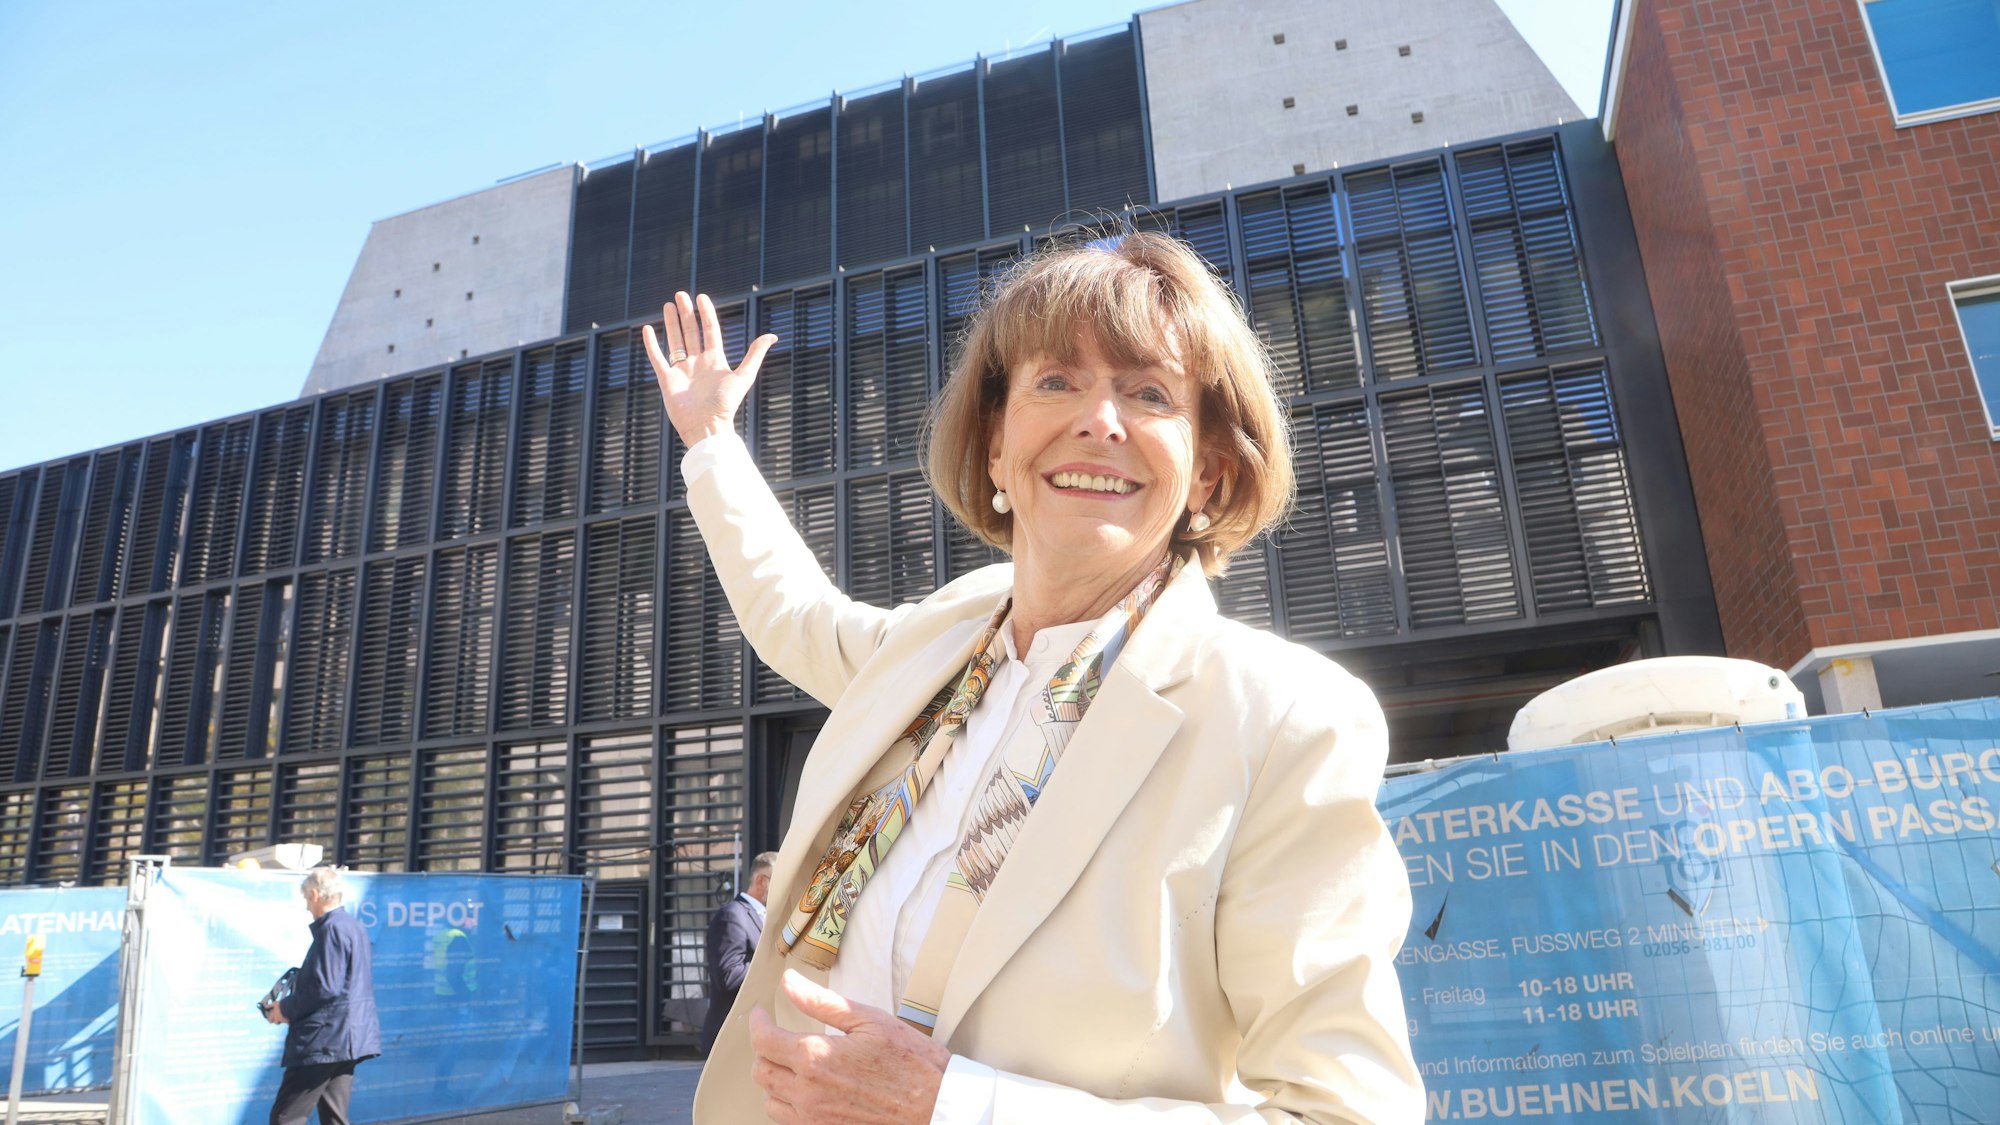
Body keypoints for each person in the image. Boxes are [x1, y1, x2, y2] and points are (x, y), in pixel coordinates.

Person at [646, 231, 1422, 1123]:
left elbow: (1346, 1111)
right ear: (994, 448)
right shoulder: (937, 644)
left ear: (1207, 471)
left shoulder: (1285, 718)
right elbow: (793, 611)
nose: (1100, 418)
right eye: (1057, 380)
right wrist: (709, 442)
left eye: (1149, 392)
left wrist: (959, 1108)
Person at [264, 865, 381, 1125]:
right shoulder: (353, 927)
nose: (306, 906)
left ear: (316, 894)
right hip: (347, 1038)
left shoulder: (331, 929)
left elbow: (325, 986)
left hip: (325, 1039)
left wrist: (285, 1009)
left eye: (307, 898)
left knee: (286, 1116)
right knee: (333, 1117)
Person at [703, 851, 778, 1054]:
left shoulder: (765, 916)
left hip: (755, 1032)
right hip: (733, 1035)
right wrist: (777, 965)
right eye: (779, 880)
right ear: (762, 881)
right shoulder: (732, 916)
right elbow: (729, 976)